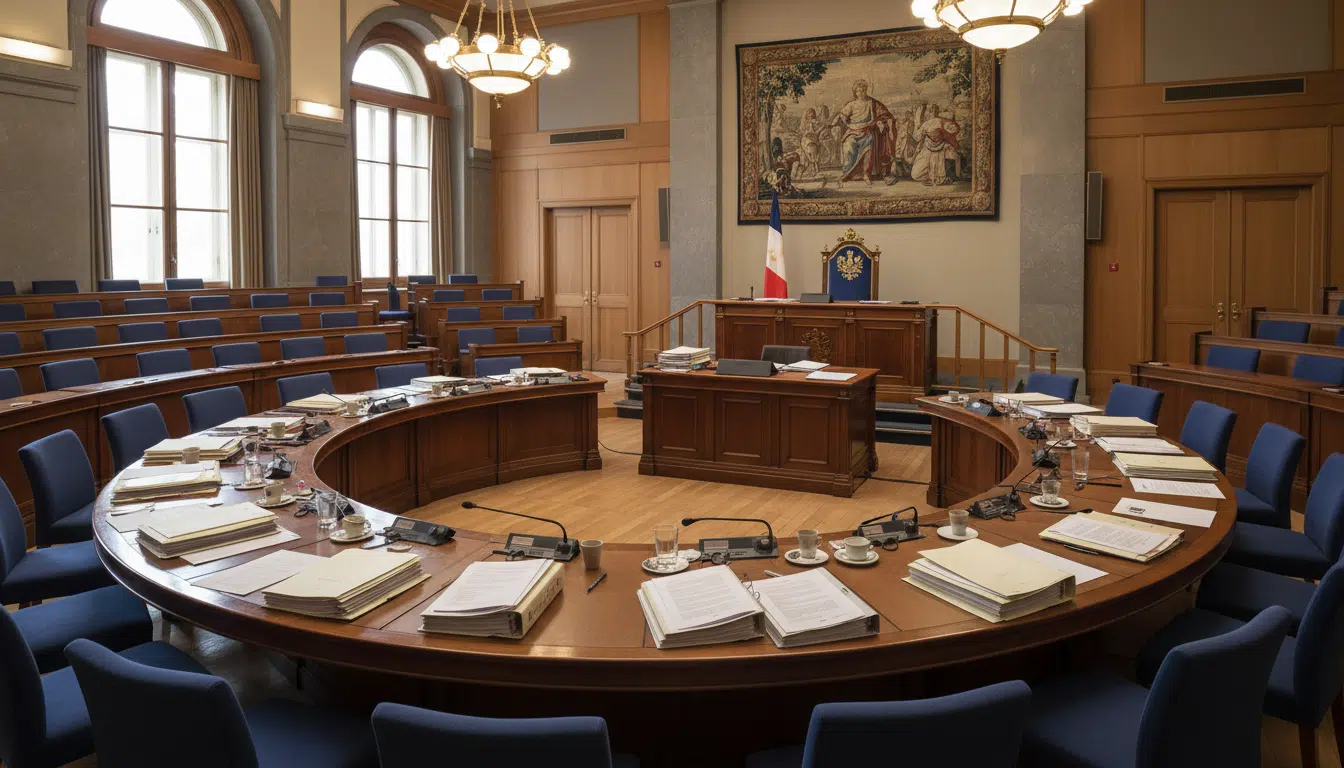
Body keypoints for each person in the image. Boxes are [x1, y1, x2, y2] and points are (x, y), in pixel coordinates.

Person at [830, 80, 898, 185]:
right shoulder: (851, 104)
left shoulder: (872, 103)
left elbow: (884, 114)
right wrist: (844, 123)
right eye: (859, 91)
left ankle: (866, 174)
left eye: (863, 90)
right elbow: (842, 116)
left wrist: (883, 121)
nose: (861, 93)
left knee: (868, 149)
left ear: (866, 90)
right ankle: (848, 173)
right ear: (855, 93)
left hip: (867, 130)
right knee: (849, 147)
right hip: (852, 131)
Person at [911, 103, 962, 186]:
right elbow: (916, 138)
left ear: (937, 111)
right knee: (915, 175)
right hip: (927, 149)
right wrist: (917, 124)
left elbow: (955, 129)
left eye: (933, 110)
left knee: (956, 157)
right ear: (925, 112)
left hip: (942, 148)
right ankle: (932, 177)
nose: (931, 112)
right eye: (929, 110)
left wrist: (945, 129)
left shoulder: (942, 121)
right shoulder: (925, 124)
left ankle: (944, 178)